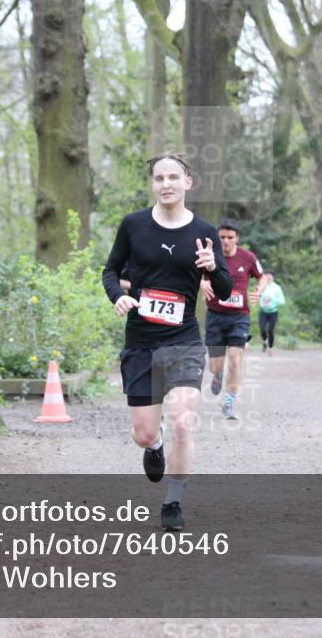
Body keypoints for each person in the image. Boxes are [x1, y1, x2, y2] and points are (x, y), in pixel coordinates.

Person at [102, 152, 232, 531]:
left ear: (187, 182)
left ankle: (173, 502)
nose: (166, 184)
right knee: (144, 433)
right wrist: (118, 296)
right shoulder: (134, 226)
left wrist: (212, 268)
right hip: (141, 341)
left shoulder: (204, 232)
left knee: (182, 422)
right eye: (159, 178)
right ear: (153, 183)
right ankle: (155, 447)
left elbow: (222, 289)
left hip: (184, 340)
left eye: (173, 177)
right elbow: (111, 270)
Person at [200, 220, 269, 419]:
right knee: (215, 365)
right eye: (222, 237)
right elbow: (195, 275)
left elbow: (262, 277)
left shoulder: (248, 257)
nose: (226, 241)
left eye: (230, 238)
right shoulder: (210, 256)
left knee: (236, 359)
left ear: (237, 238)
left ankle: (229, 403)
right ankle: (217, 375)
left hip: (239, 317)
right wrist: (202, 284)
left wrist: (259, 290)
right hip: (215, 316)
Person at [258, 271, 285, 356]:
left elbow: (282, 302)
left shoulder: (277, 288)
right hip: (263, 311)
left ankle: (270, 348)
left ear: (273, 277)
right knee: (262, 330)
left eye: (270, 276)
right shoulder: (261, 286)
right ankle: (265, 342)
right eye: (266, 276)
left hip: (273, 312)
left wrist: (273, 298)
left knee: (270, 330)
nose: (268, 277)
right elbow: (256, 296)